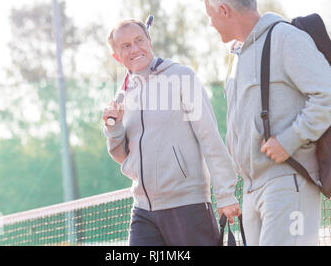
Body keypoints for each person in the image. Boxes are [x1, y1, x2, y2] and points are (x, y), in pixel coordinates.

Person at [200, 0, 331, 246]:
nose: (210, 23)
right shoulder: (236, 58)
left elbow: (330, 94)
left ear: (224, 10)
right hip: (253, 189)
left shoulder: (285, 38)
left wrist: (290, 139)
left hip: (288, 182)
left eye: (210, 15)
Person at [102, 19, 241, 246]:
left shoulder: (182, 77)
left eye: (139, 40)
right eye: (126, 46)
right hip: (143, 210)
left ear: (150, 41)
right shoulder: (124, 93)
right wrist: (113, 128)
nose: (135, 49)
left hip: (187, 206)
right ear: (117, 56)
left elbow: (209, 136)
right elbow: (122, 157)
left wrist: (225, 193)